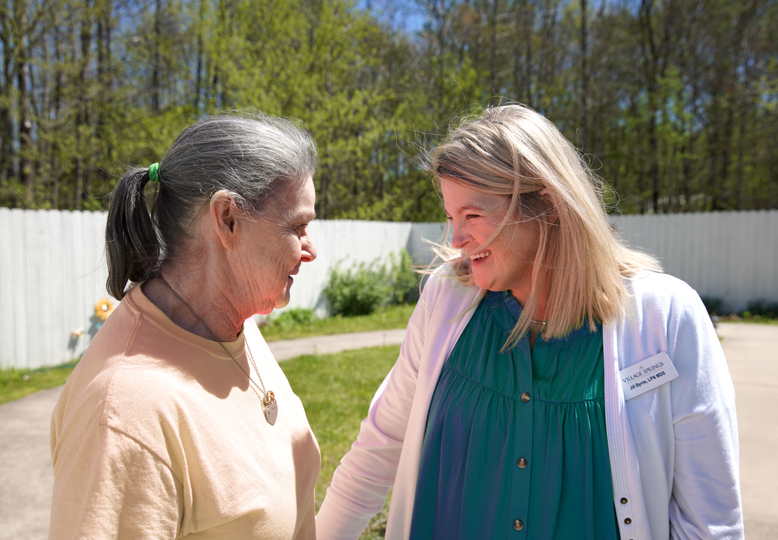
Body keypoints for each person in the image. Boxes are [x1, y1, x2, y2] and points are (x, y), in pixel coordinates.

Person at [316, 104, 743, 540]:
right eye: (450, 217)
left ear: (549, 204)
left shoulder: (667, 317)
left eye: (473, 215)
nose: (456, 239)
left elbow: (711, 524)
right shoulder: (448, 297)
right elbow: (378, 447)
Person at [50, 113, 321, 539]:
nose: (311, 250)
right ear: (227, 218)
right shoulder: (124, 414)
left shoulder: (232, 325)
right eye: (297, 226)